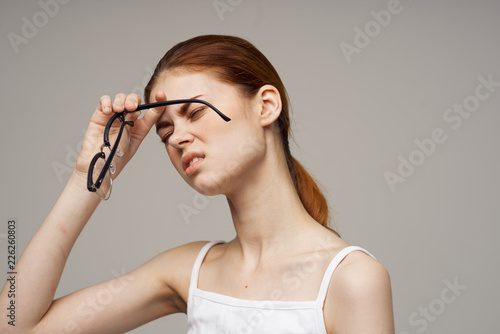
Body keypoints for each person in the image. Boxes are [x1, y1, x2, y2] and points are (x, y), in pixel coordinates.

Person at [0, 35, 395, 333]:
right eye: (165, 129)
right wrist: (89, 173)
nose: (176, 138)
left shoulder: (351, 279)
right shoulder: (189, 269)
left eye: (194, 112)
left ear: (266, 106)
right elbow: (14, 323)